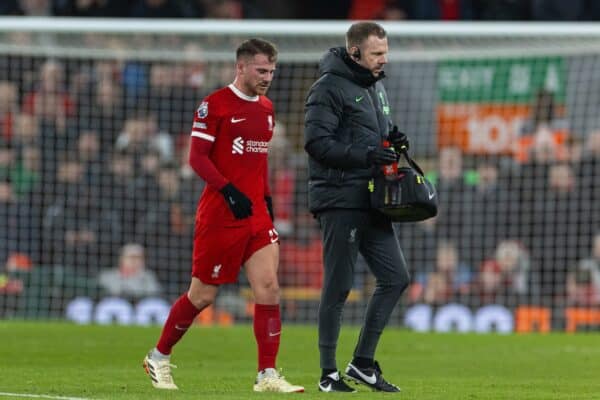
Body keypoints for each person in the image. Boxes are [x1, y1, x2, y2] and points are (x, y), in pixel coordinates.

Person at [142, 38, 304, 393]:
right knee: (202, 296)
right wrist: (228, 190)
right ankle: (159, 355)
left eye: (272, 71)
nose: (267, 77)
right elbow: (197, 158)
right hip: (219, 215)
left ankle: (267, 374)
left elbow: (258, 163)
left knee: (269, 288)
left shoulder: (267, 108)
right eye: (261, 70)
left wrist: (266, 201)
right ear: (241, 67)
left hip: (256, 215)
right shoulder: (213, 104)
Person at [304, 21, 410, 393]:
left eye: (385, 52)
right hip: (340, 199)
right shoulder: (327, 88)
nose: (384, 59)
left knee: (396, 277)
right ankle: (328, 373)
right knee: (339, 286)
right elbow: (317, 144)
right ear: (355, 53)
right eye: (377, 53)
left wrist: (391, 140)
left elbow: (371, 137)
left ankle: (363, 362)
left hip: (372, 197)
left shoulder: (375, 87)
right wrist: (367, 153)